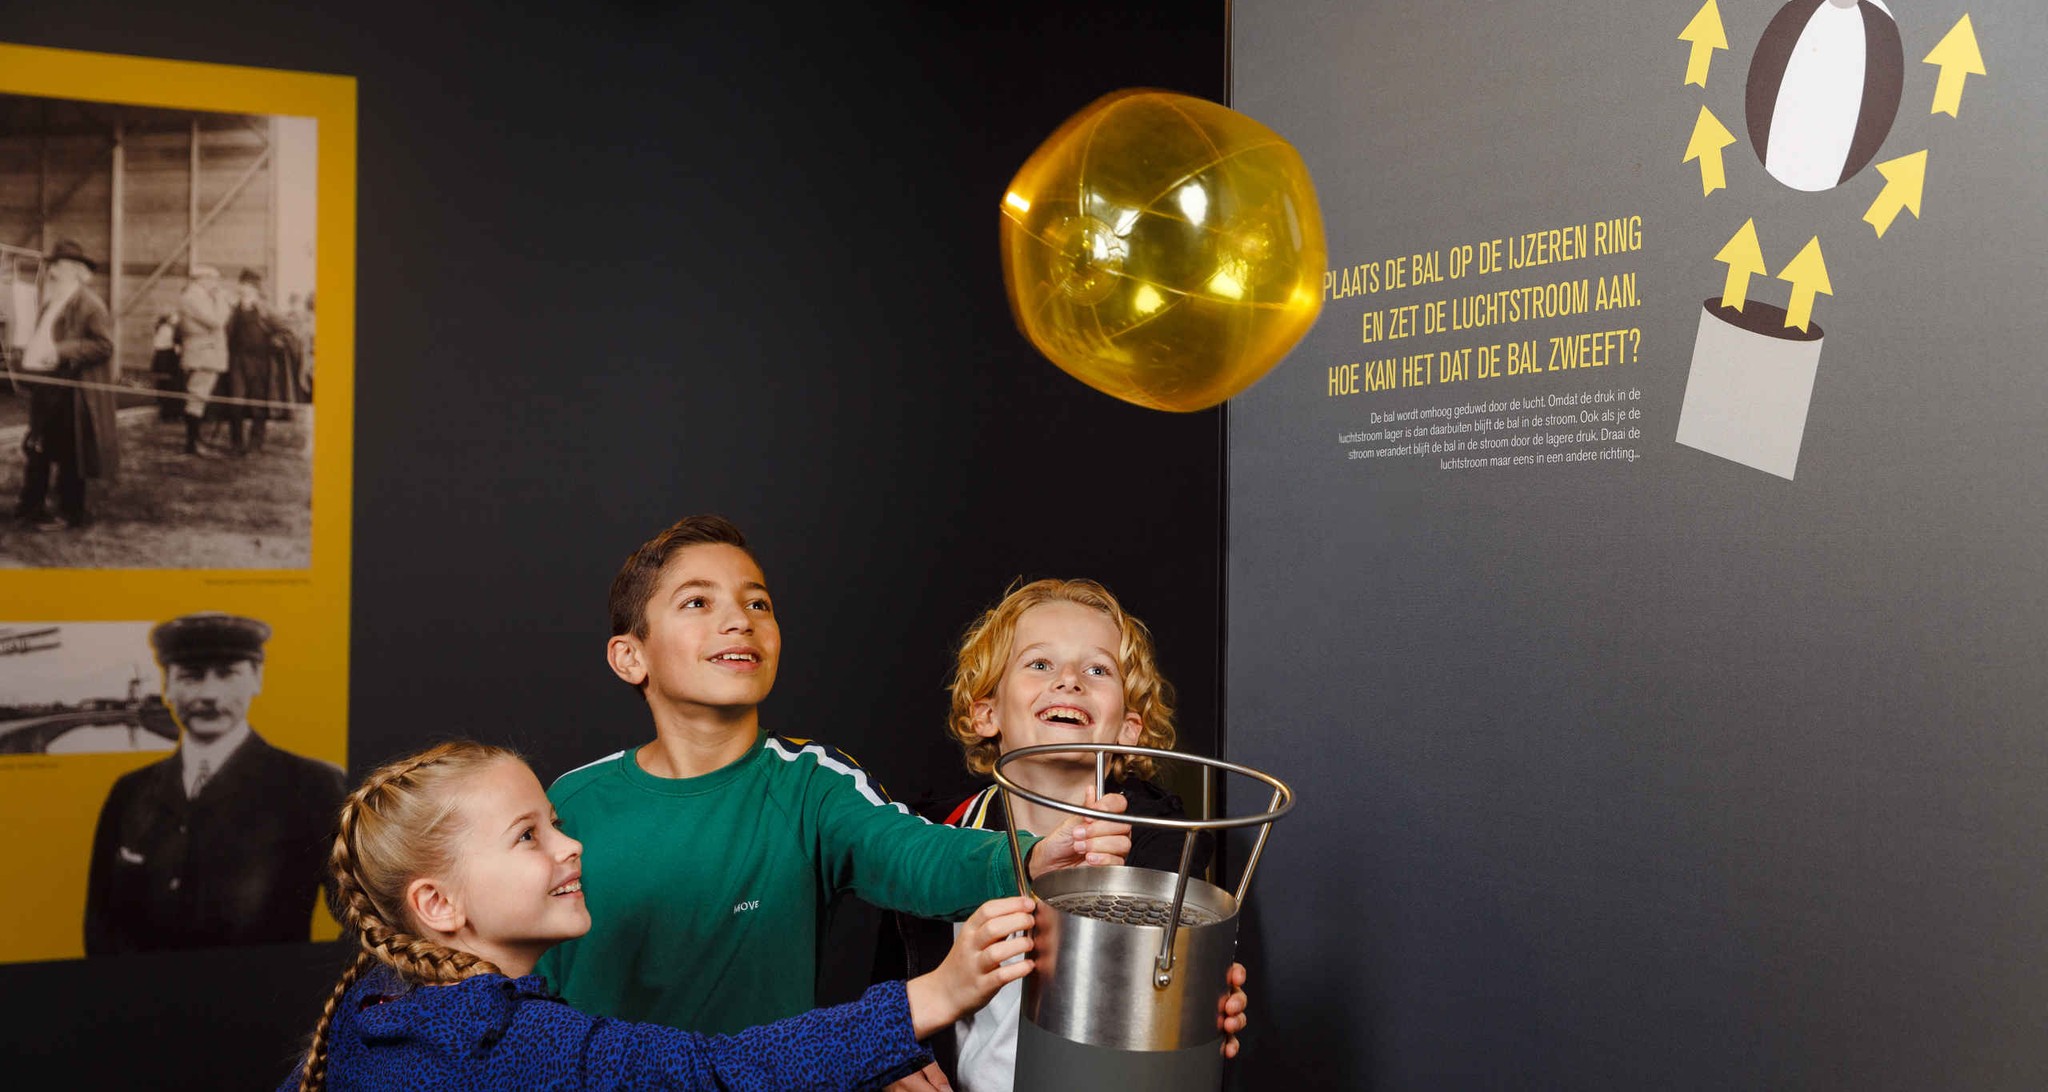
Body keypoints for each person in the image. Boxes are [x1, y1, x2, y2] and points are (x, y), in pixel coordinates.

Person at [536, 515, 1133, 1038]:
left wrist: (1029, 858)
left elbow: (915, 855)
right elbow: (524, 979)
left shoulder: (812, 785)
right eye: (697, 602)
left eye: (758, 602)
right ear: (629, 656)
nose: (739, 620)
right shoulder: (573, 802)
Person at [279, 740, 1041, 1091]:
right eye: (529, 837)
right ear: (437, 905)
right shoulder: (510, 1044)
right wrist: (933, 995)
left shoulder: (378, 999)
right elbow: (718, 1076)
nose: (572, 847)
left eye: (555, 821)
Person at [886, 577, 1248, 1091]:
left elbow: (1168, 1000)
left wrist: (1201, 1001)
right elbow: (893, 983)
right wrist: (895, 1053)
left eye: (1097, 669)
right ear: (985, 712)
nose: (1070, 681)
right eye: (1039, 664)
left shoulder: (1160, 846)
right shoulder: (935, 836)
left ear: (1128, 727)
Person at [83, 612, 347, 954]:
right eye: (191, 677)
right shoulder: (129, 792)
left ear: (256, 679)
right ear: (167, 687)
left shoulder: (315, 785)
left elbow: (361, 923)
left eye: (227, 674)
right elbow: (100, 925)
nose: (209, 694)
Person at [12, 239, 114, 531]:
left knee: (71, 452)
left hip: (72, 390)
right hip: (47, 386)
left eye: (56, 266)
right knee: (37, 447)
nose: (51, 271)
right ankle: (30, 507)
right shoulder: (53, 301)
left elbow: (104, 345)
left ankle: (71, 513)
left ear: (73, 270)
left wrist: (61, 351)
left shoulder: (90, 305)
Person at [225, 268, 300, 454]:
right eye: (241, 285)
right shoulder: (234, 310)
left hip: (261, 363)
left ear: (255, 289)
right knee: (235, 403)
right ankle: (236, 444)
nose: (242, 289)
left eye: (247, 286)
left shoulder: (266, 310)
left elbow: (287, 331)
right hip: (237, 361)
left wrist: (277, 341)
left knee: (258, 404)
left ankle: (255, 444)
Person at [176, 264, 229, 458]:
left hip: (206, 354)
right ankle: (192, 443)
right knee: (196, 398)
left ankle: (195, 440)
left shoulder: (201, 297)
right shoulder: (193, 297)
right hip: (202, 355)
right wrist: (222, 300)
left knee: (199, 398)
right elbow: (217, 321)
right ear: (202, 279)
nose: (216, 284)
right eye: (213, 280)